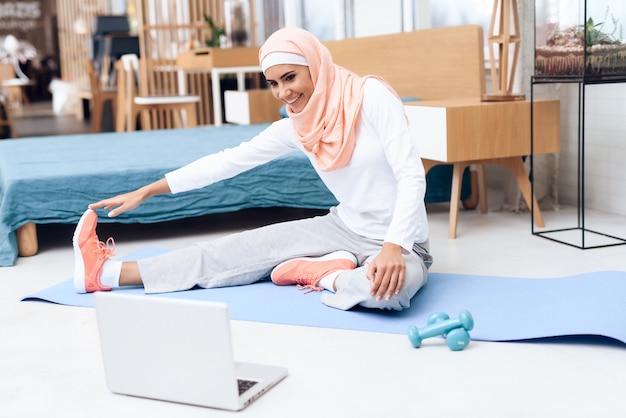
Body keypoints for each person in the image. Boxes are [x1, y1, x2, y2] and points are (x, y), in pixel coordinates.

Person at [73, 27, 432, 311]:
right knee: (234, 251)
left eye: (290, 77)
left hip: (404, 242)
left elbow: (411, 175)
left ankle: (326, 274)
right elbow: (227, 161)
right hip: (343, 228)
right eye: (274, 83)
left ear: (315, 65)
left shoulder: (371, 95)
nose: (283, 93)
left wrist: (391, 247)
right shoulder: (297, 126)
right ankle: (107, 273)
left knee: (387, 294)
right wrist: (149, 189)